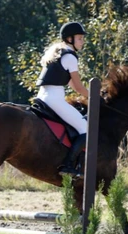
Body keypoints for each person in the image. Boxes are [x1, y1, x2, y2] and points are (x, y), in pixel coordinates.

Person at [36, 22, 88, 178]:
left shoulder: (60, 53)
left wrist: (88, 94)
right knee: (86, 128)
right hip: (54, 99)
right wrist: (95, 97)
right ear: (70, 39)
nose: (82, 41)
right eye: (79, 38)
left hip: (43, 96)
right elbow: (78, 87)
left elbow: (72, 85)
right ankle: (67, 165)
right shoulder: (70, 57)